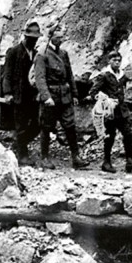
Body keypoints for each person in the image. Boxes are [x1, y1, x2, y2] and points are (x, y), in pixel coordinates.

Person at [35, 25, 89, 169]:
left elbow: (69, 75)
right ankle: (44, 157)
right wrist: (46, 97)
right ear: (51, 37)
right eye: (58, 37)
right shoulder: (42, 54)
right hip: (51, 97)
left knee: (70, 126)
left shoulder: (64, 53)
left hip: (65, 96)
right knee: (46, 127)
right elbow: (40, 78)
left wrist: (75, 94)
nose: (61, 39)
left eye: (62, 37)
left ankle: (76, 157)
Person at [89, 50, 132, 173]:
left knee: (128, 134)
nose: (117, 63)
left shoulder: (122, 75)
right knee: (110, 136)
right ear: (109, 61)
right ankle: (106, 162)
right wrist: (105, 100)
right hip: (110, 112)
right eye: (114, 60)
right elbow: (93, 92)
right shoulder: (104, 75)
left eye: (119, 60)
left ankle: (130, 162)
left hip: (122, 110)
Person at [2, 21, 42, 164]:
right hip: (18, 95)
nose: (34, 41)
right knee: (21, 125)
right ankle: (22, 156)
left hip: (32, 96)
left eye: (36, 38)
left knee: (37, 124)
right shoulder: (13, 52)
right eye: (32, 38)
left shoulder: (37, 54)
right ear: (26, 37)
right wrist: (7, 93)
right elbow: (7, 74)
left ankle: (20, 144)